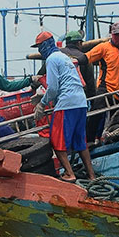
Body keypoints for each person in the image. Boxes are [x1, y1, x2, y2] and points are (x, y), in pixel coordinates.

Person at [33, 31, 96, 181]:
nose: (39, 51)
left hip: (66, 104)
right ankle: (92, 176)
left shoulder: (52, 59)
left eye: (39, 47)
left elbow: (53, 88)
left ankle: (69, 173)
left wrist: (41, 104)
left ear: (44, 46)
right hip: (80, 102)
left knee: (56, 141)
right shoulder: (64, 58)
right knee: (80, 141)